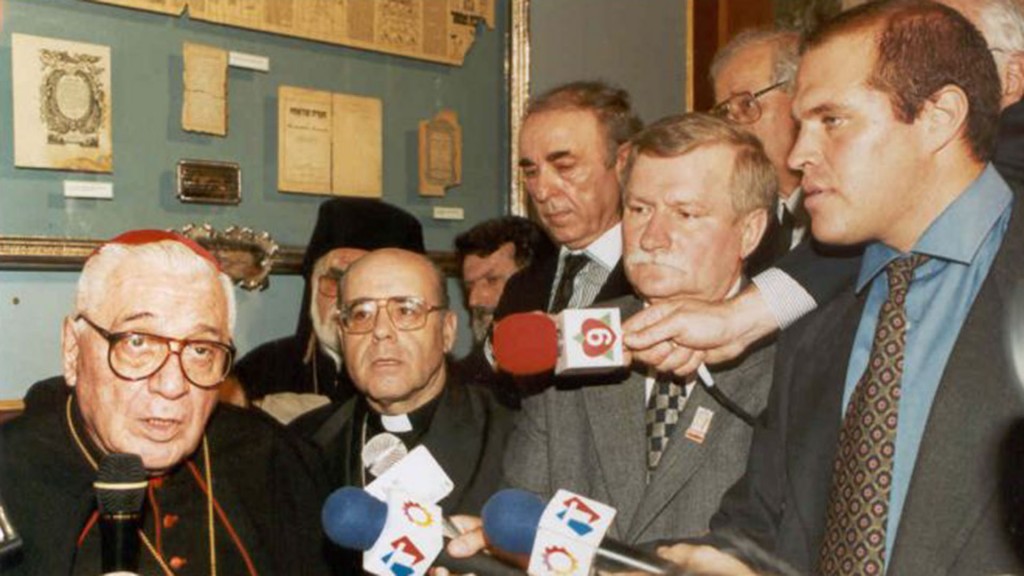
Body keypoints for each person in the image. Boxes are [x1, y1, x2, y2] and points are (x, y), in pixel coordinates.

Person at [657, 2, 1024, 574]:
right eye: (801, 124)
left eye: (832, 121)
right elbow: (758, 528)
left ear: (939, 117)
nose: (798, 155)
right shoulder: (814, 314)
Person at [622, 0, 1024, 380]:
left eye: (832, 120)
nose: (798, 156)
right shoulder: (828, 311)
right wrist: (740, 319)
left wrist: (744, 317)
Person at [444, 113, 778, 562]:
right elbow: (525, 511)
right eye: (639, 209)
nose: (652, 237)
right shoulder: (570, 337)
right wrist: (492, 554)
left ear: (750, 231)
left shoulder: (794, 358)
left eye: (686, 213)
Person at [0, 230, 329, 575]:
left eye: (201, 350)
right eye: (138, 342)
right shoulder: (10, 476)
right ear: (72, 350)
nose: (172, 386)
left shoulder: (275, 461)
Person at [290, 249, 514, 573]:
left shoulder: (515, 435)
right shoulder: (303, 444)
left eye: (407, 310)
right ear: (342, 334)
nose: (381, 331)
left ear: (447, 332)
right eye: (361, 313)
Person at [490, 81, 643, 402]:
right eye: (531, 172)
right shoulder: (521, 287)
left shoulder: (658, 282)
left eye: (564, 167)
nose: (542, 191)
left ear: (623, 162)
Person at [232, 197, 425, 422]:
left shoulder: (422, 374)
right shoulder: (262, 369)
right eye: (335, 280)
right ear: (313, 284)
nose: (345, 299)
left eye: (361, 283)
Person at [711, 28, 807, 273]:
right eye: (724, 113)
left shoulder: (850, 206)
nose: (732, 126)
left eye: (746, 104)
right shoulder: (744, 219)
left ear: (802, 94)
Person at [451, 216, 552, 402]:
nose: (474, 300)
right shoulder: (454, 386)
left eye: (492, 281)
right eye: (469, 286)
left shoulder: (566, 371)